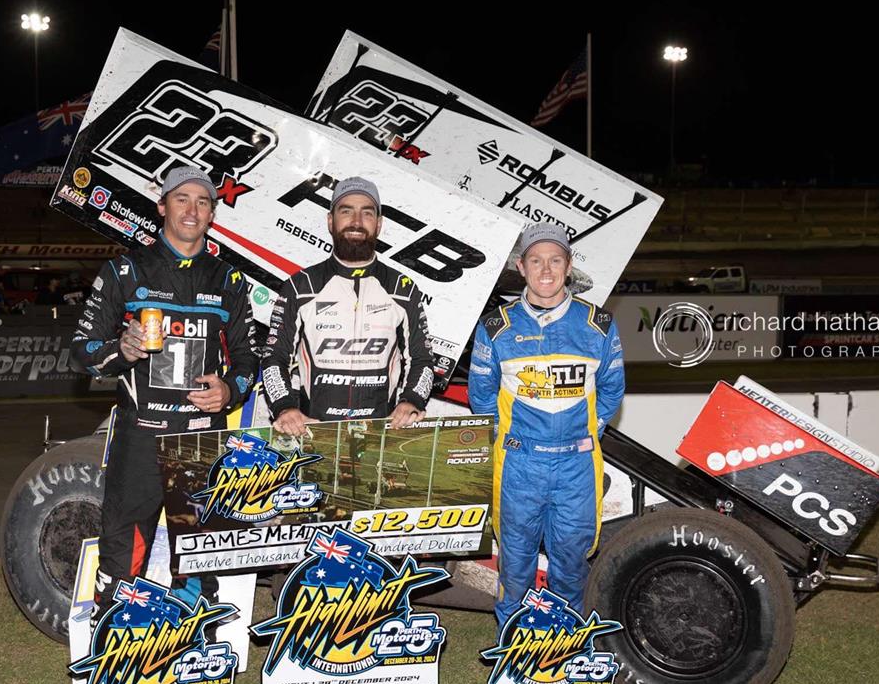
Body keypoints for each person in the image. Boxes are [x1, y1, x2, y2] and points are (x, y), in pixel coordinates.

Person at [71, 165, 258, 624]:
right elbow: (81, 352)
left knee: (198, 551)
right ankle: (116, 641)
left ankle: (198, 661)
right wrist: (121, 348)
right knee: (123, 549)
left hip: (200, 438)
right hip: (141, 435)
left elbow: (250, 359)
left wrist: (229, 391)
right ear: (161, 207)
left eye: (202, 202)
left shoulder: (228, 280)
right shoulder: (124, 270)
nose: (192, 210)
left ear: (212, 213)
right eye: (182, 199)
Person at [468, 222, 625, 628]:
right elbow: (481, 398)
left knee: (571, 564)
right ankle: (513, 648)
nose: (546, 270)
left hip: (576, 467)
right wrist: (512, 439)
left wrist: (584, 435)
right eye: (536, 260)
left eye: (556, 260)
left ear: (568, 266)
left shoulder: (599, 326)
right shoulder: (495, 328)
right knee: (515, 567)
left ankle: (563, 646)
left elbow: (611, 392)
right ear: (521, 266)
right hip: (519, 465)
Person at [262, 176, 434, 435]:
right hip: (313, 430)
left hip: (381, 431)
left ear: (379, 224)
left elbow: (422, 359)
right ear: (330, 221)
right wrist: (284, 407)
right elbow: (274, 358)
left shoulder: (403, 288)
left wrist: (412, 400)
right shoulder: (300, 286)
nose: (356, 222)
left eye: (367, 213)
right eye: (346, 212)